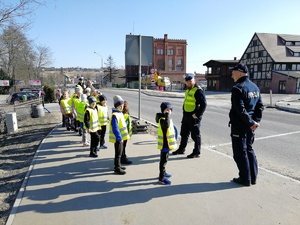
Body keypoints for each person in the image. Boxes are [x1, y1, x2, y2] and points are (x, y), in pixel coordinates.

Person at [228, 63, 264, 186]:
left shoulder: (238, 88)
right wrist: (255, 122)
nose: (232, 74)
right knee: (249, 149)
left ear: (240, 73)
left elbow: (240, 110)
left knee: (239, 152)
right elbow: (259, 107)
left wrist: (251, 122)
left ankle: (245, 178)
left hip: (240, 126)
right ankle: (252, 177)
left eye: (233, 72)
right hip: (250, 126)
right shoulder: (255, 87)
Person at [172, 74, 207, 158]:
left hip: (193, 116)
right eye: (187, 81)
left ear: (194, 81)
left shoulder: (198, 91)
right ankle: (181, 149)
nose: (189, 83)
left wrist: (198, 115)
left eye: (190, 81)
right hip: (186, 115)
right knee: (184, 133)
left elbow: (204, 104)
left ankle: (196, 152)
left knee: (195, 135)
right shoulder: (188, 90)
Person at [155, 102, 177, 185]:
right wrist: (167, 115)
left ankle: (163, 173)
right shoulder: (163, 119)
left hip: (167, 144)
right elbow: (166, 126)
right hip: (164, 144)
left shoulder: (167, 118)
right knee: (163, 161)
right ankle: (161, 178)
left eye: (170, 110)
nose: (168, 111)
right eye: (166, 110)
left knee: (165, 159)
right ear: (163, 111)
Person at [109, 95, 129, 175]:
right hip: (118, 138)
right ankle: (117, 168)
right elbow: (115, 128)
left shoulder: (119, 113)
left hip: (121, 138)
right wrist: (119, 137)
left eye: (122, 106)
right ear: (116, 106)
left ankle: (119, 165)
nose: (121, 107)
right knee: (118, 153)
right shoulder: (115, 115)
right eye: (120, 106)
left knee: (119, 153)